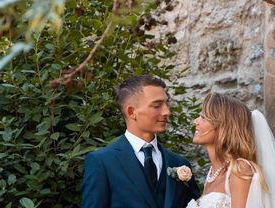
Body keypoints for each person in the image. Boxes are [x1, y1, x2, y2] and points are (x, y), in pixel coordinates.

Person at [81, 75, 200, 208]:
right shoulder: (102, 162)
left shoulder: (179, 163)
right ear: (132, 112)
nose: (167, 111)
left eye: (166, 104)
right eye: (157, 105)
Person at [188, 92, 275, 208]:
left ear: (223, 126)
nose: (195, 121)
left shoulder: (239, 169)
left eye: (203, 117)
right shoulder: (212, 172)